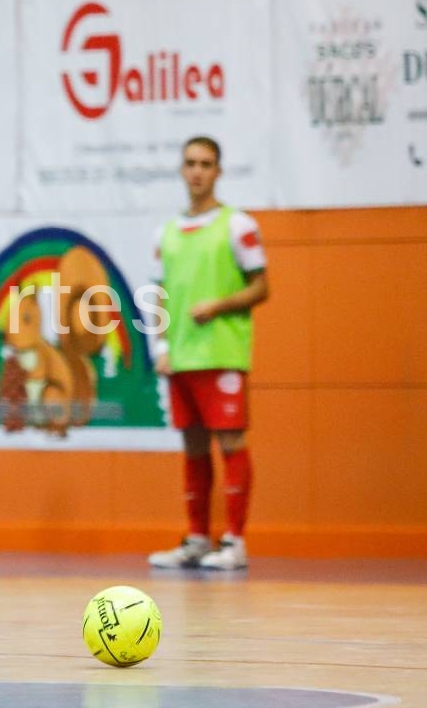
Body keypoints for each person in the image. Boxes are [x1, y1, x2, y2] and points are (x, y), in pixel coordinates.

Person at [147, 136, 269, 571]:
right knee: (193, 447)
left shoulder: (238, 226)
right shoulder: (167, 232)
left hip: (222, 353)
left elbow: (262, 286)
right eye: (191, 163)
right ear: (182, 170)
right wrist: (161, 344)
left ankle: (235, 541)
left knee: (232, 442)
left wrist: (218, 305)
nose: (197, 170)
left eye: (206, 163)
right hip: (180, 356)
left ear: (218, 171)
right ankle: (198, 538)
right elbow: (159, 293)